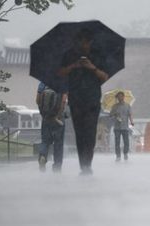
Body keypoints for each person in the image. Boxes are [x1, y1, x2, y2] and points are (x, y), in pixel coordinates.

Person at [58, 29, 109, 175]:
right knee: (79, 132)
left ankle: (88, 163)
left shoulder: (97, 55)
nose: (84, 45)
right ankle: (83, 165)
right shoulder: (69, 55)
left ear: (90, 42)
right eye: (81, 42)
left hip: (92, 99)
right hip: (75, 99)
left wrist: (92, 67)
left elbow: (104, 76)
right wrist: (74, 66)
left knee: (90, 132)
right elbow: (60, 72)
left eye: (86, 42)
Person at [36, 82, 67, 172]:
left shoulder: (43, 83)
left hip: (46, 118)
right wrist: (57, 115)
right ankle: (57, 167)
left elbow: (37, 100)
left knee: (45, 141)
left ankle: (42, 156)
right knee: (58, 144)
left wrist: (44, 113)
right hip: (58, 120)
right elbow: (64, 100)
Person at [110, 91, 134, 161]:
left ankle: (125, 153)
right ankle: (118, 155)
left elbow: (130, 114)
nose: (120, 97)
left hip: (125, 127)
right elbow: (110, 115)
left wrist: (132, 121)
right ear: (117, 97)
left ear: (123, 97)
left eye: (121, 96)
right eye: (118, 96)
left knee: (126, 142)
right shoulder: (114, 106)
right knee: (117, 142)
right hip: (117, 127)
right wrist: (114, 114)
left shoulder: (127, 106)